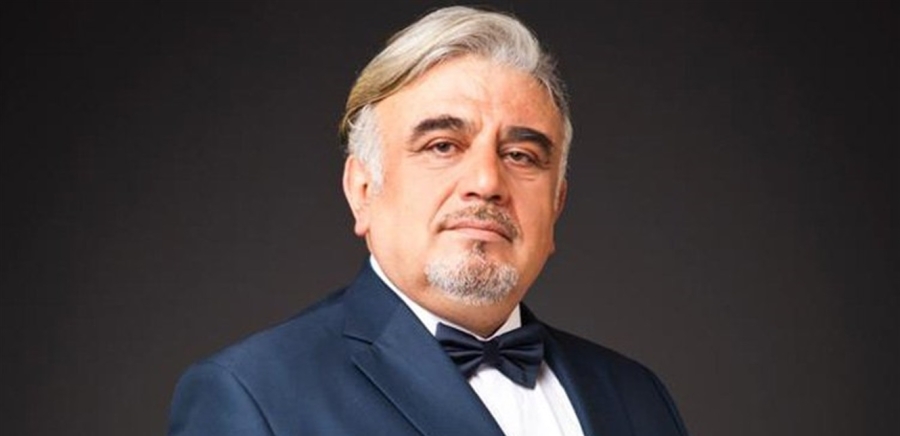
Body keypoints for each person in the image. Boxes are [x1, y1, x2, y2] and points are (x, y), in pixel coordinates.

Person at [168, 6, 689, 436]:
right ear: (363, 190)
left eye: (521, 156)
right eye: (442, 146)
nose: (486, 181)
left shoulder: (637, 397)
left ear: (556, 205)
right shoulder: (251, 393)